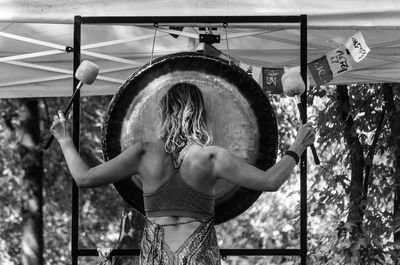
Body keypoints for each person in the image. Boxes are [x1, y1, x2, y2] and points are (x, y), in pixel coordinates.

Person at [51, 82, 316, 265]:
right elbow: (271, 181)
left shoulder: (142, 153)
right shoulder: (212, 156)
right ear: (200, 114)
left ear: (164, 113)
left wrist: (64, 140)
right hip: (199, 252)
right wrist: (297, 147)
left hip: (156, 253)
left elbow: (83, 178)